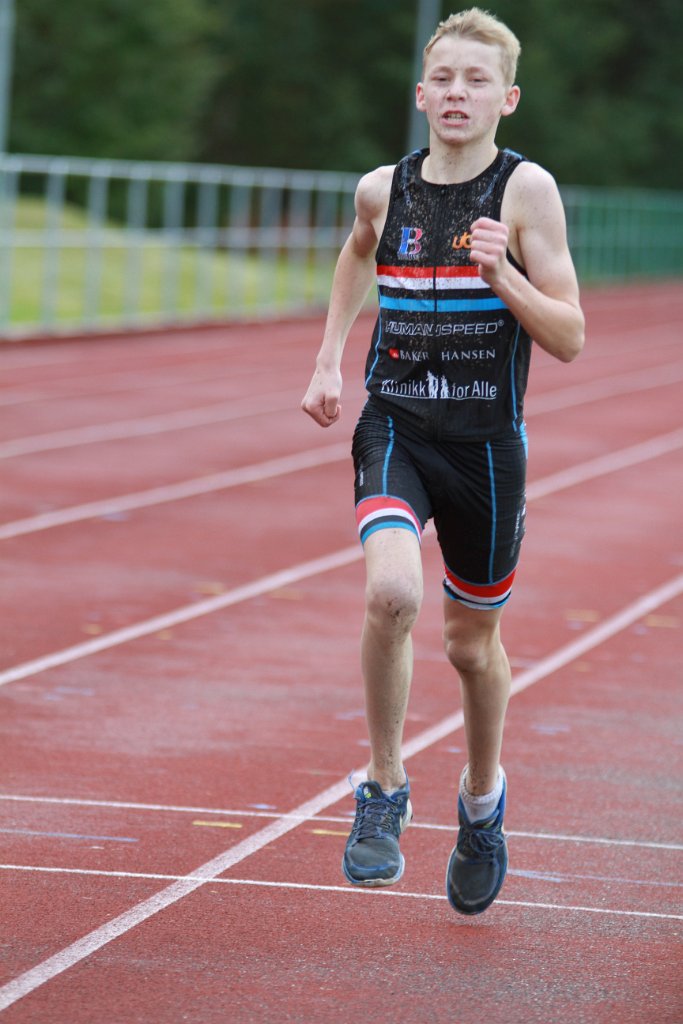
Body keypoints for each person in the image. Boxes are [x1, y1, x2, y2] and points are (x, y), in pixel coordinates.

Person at [301, 7, 584, 915]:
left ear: (506, 99)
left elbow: (569, 336)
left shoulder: (525, 192)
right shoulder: (381, 189)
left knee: (470, 646)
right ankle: (383, 786)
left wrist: (504, 277)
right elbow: (356, 254)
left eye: (476, 81)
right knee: (391, 593)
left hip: (485, 448)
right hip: (395, 426)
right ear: (421, 94)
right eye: (444, 79)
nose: (457, 93)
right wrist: (328, 357)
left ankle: (481, 800)